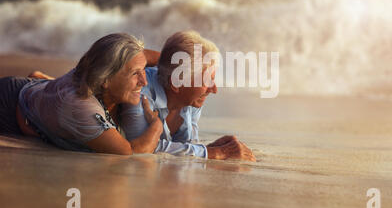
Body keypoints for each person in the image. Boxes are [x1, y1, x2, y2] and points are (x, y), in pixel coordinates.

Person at [0, 33, 162, 155]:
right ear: (106, 79)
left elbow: (144, 55)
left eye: (143, 71)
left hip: (39, 90)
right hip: (9, 106)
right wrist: (156, 125)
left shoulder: (99, 62)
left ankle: (45, 80)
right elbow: (130, 152)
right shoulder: (82, 107)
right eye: (135, 74)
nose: (144, 81)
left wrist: (178, 65)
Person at [120, 30, 256, 162]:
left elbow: (183, 148)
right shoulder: (138, 93)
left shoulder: (191, 99)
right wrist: (217, 153)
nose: (214, 89)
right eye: (206, 80)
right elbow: (142, 150)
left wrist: (211, 148)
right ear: (177, 83)